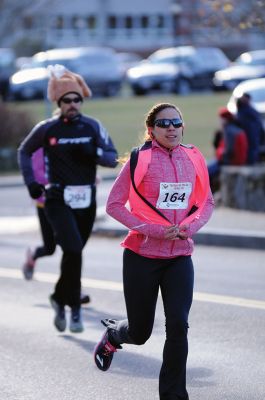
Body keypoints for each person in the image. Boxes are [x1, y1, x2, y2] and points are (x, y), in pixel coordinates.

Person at [93, 102, 214, 400]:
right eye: (164, 123)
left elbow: (207, 202)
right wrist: (154, 230)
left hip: (179, 256)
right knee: (140, 332)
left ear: (183, 126)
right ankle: (114, 335)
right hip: (141, 257)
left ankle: (173, 395)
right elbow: (114, 205)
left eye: (176, 122)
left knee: (177, 326)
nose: (171, 128)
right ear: (151, 130)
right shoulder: (139, 160)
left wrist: (191, 226)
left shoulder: (193, 157)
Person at [18, 66, 118, 333]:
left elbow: (112, 157)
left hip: (86, 200)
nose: (73, 104)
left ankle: (57, 298)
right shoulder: (48, 128)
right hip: (57, 198)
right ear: (58, 103)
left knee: (73, 254)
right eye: (67, 101)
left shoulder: (93, 126)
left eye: (77, 100)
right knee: (72, 249)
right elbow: (24, 152)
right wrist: (32, 184)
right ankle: (74, 309)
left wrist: (94, 152)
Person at [22, 147, 91, 304]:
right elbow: (36, 173)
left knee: (72, 247)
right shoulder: (41, 146)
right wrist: (56, 186)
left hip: (69, 204)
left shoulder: (69, 142)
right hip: (47, 204)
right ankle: (33, 255)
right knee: (50, 248)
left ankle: (75, 288)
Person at [208, 107, 248, 193]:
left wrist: (220, 156)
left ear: (225, 119)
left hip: (231, 162)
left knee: (206, 171)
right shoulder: (236, 128)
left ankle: (209, 196)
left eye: (220, 118)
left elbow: (229, 151)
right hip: (238, 161)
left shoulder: (228, 131)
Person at [236, 92, 264, 164]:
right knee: (251, 148)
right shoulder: (243, 109)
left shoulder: (247, 108)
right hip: (250, 132)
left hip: (253, 132)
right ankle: (251, 162)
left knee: (254, 148)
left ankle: (253, 161)